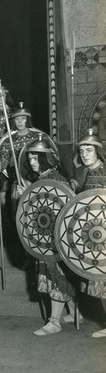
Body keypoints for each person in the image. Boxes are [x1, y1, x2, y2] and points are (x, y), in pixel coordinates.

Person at [17, 135, 77, 336]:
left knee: (55, 277)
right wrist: (26, 194)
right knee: (57, 276)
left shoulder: (56, 179)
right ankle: (76, 312)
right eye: (30, 159)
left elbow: (64, 210)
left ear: (45, 159)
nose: (31, 163)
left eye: (35, 159)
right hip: (44, 238)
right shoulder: (42, 179)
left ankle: (54, 322)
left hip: (56, 239)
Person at [74, 129, 106, 338]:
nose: (85, 154)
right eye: (82, 150)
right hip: (95, 236)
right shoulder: (87, 173)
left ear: (98, 152)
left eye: (89, 150)